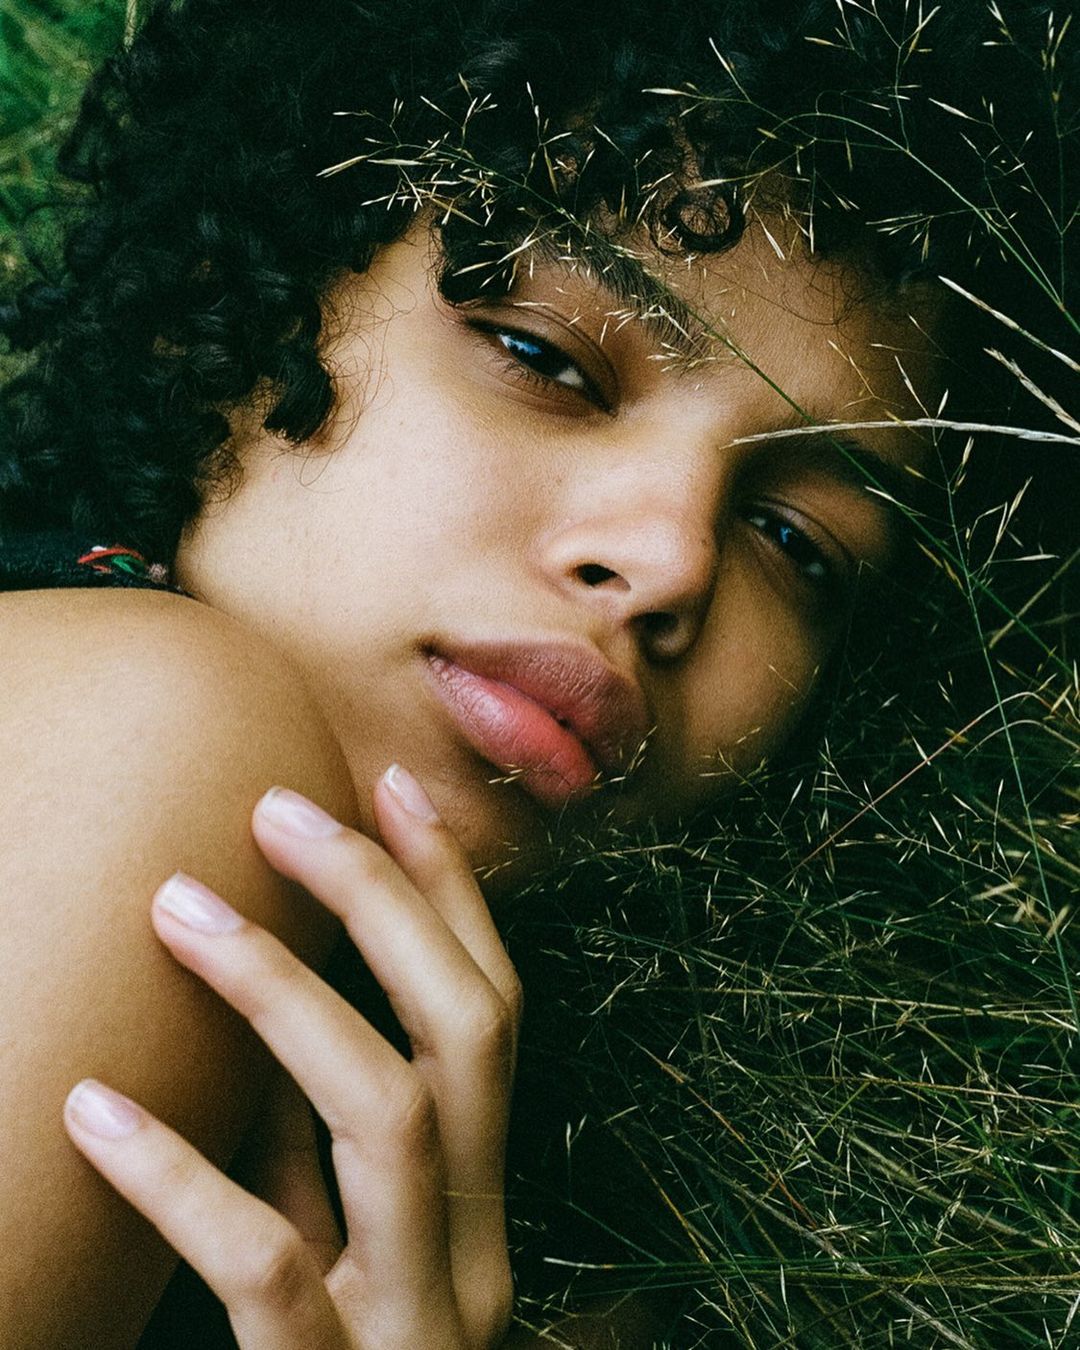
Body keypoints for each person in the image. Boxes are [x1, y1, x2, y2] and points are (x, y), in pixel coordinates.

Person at [0, 0, 1073, 1345]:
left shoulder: (555, 1235)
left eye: (799, 542)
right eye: (543, 358)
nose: (672, 559)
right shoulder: (150, 720)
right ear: (231, 287)